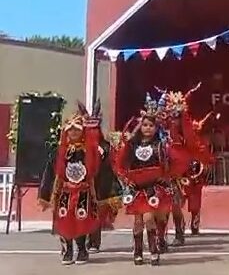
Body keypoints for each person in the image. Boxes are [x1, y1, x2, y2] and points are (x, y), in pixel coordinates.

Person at [113, 92, 188, 266]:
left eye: (151, 126)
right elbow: (120, 163)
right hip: (136, 188)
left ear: (156, 128)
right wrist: (125, 179)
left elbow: (175, 162)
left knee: (148, 218)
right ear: (141, 126)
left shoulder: (161, 146)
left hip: (154, 187)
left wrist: (167, 175)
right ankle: (138, 252)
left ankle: (154, 250)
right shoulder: (132, 145)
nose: (147, 128)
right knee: (138, 221)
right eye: (145, 125)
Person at [38, 101, 102, 265]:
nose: (73, 132)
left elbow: (94, 171)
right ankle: (67, 251)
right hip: (65, 192)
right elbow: (52, 174)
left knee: (81, 218)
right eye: (70, 129)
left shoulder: (88, 151)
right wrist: (48, 194)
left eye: (77, 129)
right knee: (64, 219)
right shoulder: (59, 151)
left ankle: (82, 250)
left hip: (83, 191)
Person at [158, 85, 215, 249]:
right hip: (161, 172)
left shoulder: (185, 133)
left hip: (177, 173)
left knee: (175, 206)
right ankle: (160, 238)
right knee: (161, 208)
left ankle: (178, 233)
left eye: (176, 115)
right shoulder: (161, 128)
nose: (172, 118)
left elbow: (193, 147)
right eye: (170, 115)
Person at [87, 112, 123, 253]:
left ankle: (94, 242)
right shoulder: (78, 147)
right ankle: (81, 242)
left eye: (95, 129)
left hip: (102, 185)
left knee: (97, 215)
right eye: (89, 130)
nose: (92, 133)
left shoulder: (106, 147)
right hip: (82, 186)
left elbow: (113, 166)